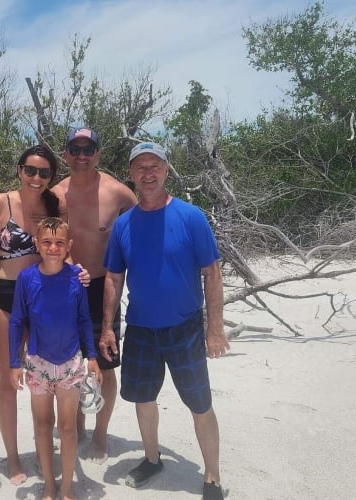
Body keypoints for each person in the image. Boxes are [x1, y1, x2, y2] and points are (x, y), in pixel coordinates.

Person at [100, 142, 229, 500]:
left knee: (199, 403)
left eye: (154, 165)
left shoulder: (191, 216)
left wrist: (214, 328)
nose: (148, 173)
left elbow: (212, 272)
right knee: (143, 398)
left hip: (184, 326)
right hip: (140, 327)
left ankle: (212, 477)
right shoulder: (124, 224)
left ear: (167, 170)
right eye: (140, 167)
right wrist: (108, 326)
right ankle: (152, 459)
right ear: (131, 175)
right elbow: (113, 277)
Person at [52, 127, 137, 463]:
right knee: (71, 364)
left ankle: (101, 435)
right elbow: (50, 238)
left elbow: (142, 227)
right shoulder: (56, 194)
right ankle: (78, 426)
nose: (83, 156)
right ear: (67, 154)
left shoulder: (118, 194)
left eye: (89, 149)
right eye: (76, 149)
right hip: (66, 286)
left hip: (105, 287)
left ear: (99, 153)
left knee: (105, 363)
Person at [0, 145, 63, 485]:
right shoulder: (1, 203)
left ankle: (42, 446)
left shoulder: (53, 207)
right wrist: (4, 270)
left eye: (44, 173)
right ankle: (13, 457)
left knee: (43, 380)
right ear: (19, 170)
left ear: (51, 178)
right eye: (30, 170)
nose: (36, 178)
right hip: (7, 296)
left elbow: (61, 248)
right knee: (7, 381)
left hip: (44, 299)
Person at [8, 217, 101, 500]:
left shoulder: (76, 277)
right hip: (38, 362)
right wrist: (14, 362)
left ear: (69, 245)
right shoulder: (27, 278)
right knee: (43, 425)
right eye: (46, 242)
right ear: (37, 244)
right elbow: (16, 321)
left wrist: (92, 356)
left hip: (71, 362)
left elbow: (85, 320)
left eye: (60, 243)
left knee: (68, 427)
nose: (53, 248)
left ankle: (68, 488)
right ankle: (49, 485)